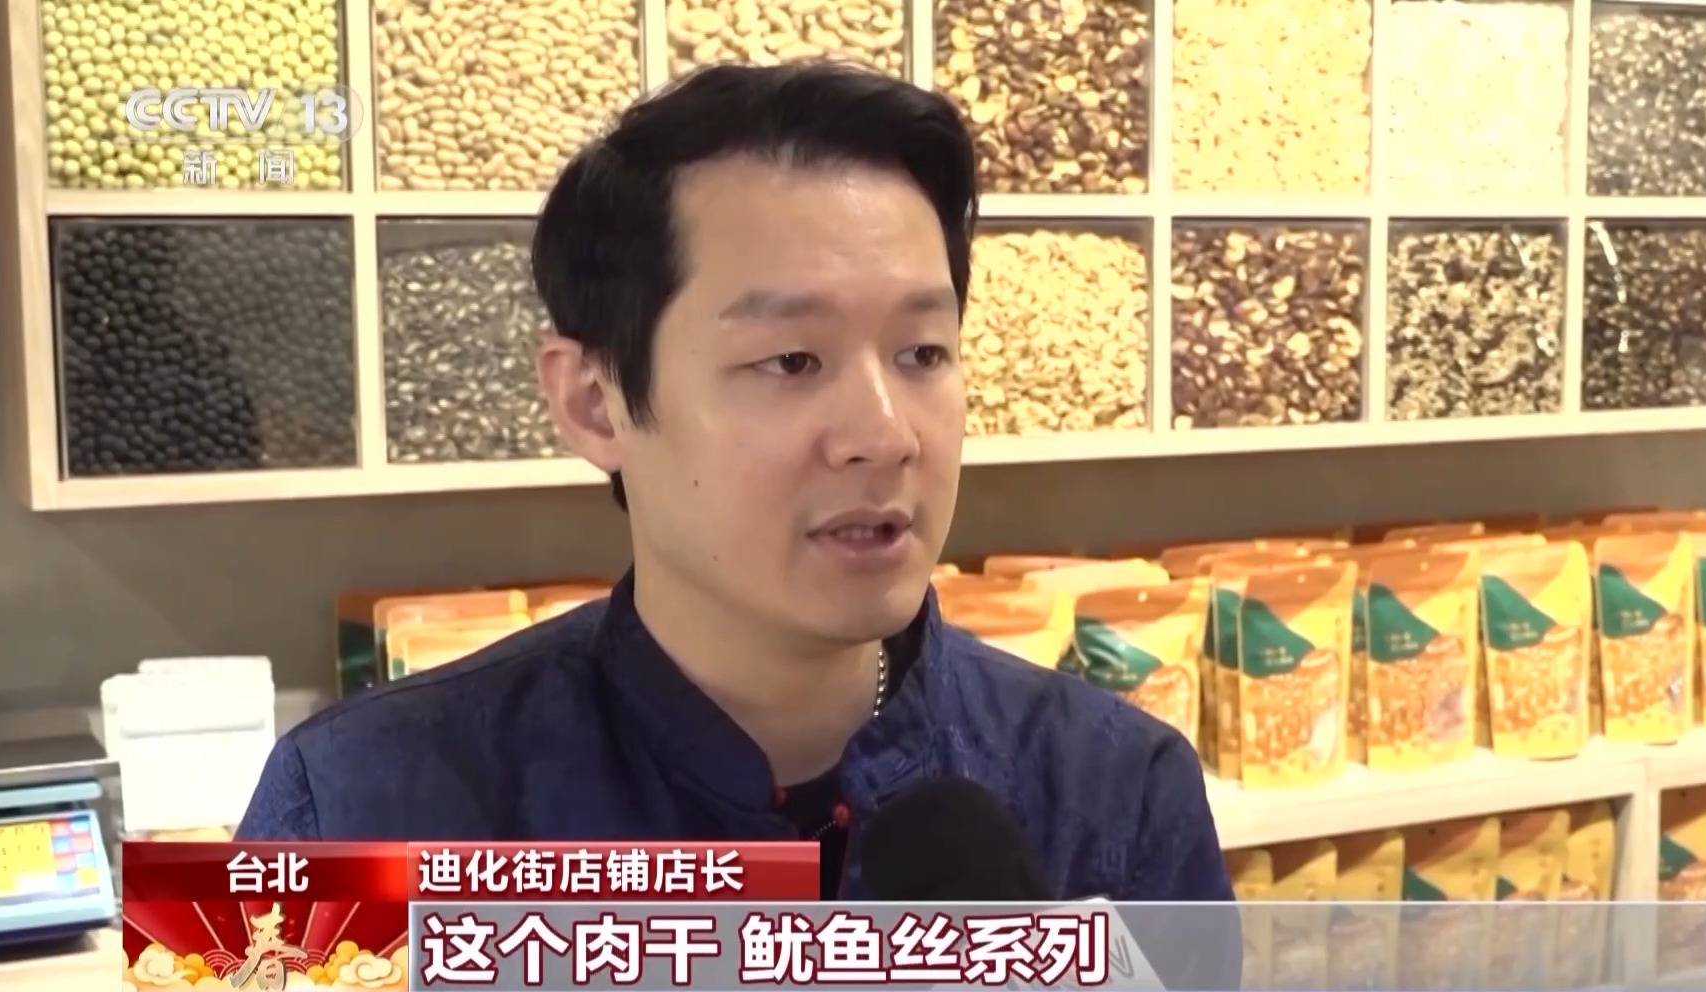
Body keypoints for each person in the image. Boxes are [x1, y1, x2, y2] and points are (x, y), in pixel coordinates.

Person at [236, 60, 1232, 905]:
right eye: (792, 360)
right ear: (594, 402)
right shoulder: (352, 808)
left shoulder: (1115, 795)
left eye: (923, 352)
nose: (884, 435)